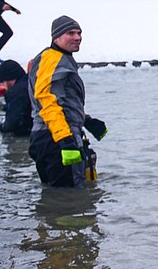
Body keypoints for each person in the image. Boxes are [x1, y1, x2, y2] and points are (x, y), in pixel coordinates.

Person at [28, 16, 107, 187]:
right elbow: (47, 101)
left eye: (79, 33)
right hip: (56, 138)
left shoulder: (57, 58)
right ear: (56, 37)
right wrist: (66, 140)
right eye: (70, 33)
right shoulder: (53, 59)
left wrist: (86, 120)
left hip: (49, 136)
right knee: (69, 198)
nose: (77, 37)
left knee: (56, 196)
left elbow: (63, 101)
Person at [0, 59, 33, 135]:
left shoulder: (15, 91)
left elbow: (13, 122)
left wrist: (2, 127)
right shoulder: (31, 80)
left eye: (3, 82)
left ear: (9, 79)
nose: (3, 85)